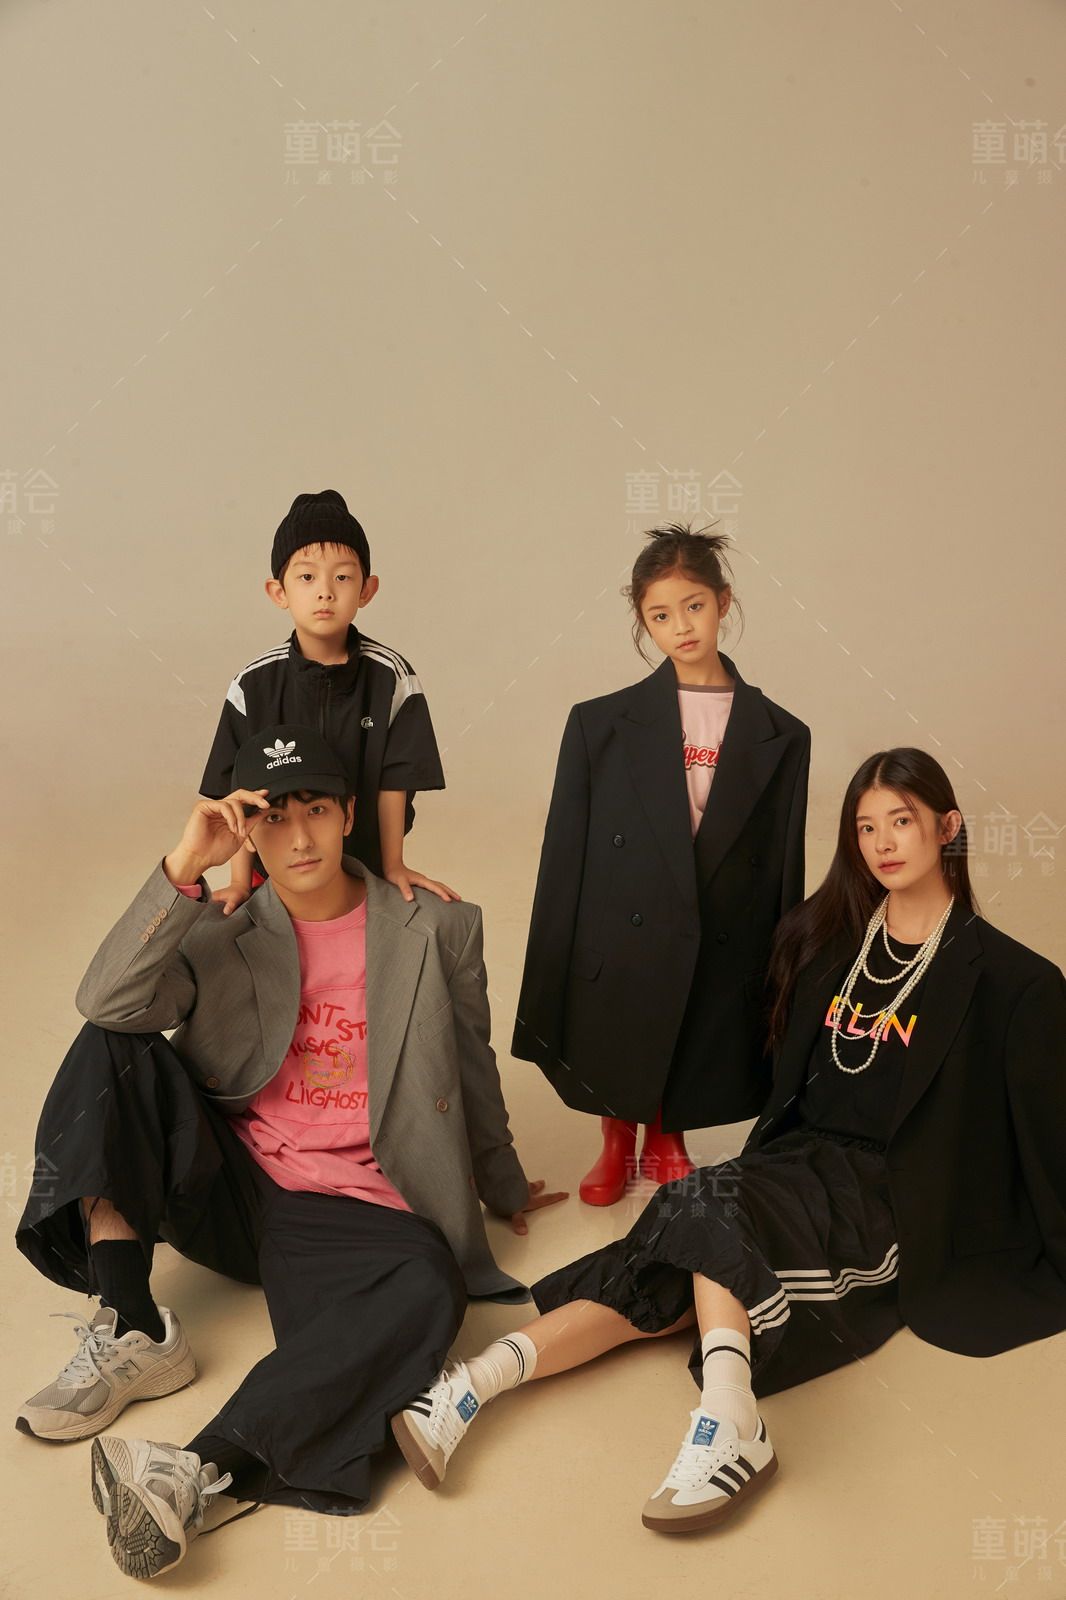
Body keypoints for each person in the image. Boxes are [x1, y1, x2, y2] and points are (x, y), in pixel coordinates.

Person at [392, 748, 1066, 1533]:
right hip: (794, 1166)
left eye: (902, 821)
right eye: (865, 826)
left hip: (889, 1197)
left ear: (947, 827)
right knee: (686, 1236)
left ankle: (727, 1421)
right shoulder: (831, 946)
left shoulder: (1014, 983)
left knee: (703, 1216)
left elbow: (1045, 1142)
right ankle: (473, 1386)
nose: (882, 842)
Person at [15, 723, 565, 1579]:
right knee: (110, 1042)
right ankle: (131, 1323)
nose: (298, 837)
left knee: (431, 1286)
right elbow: (105, 999)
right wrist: (185, 865)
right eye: (272, 817)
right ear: (248, 832)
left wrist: (502, 1181)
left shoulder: (438, 928)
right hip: (234, 1181)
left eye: (315, 810)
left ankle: (193, 1473)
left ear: (348, 814)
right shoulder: (218, 928)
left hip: (352, 1210)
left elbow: (472, 1059)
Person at [511, 523, 810, 1203]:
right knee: (622, 1017)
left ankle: (667, 1138)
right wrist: (551, 957)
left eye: (694, 606)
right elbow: (563, 854)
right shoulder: (599, 725)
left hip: (718, 920)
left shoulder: (783, 734)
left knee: (695, 1017)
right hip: (622, 917)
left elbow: (780, 864)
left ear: (723, 602)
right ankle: (617, 1140)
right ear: (643, 621)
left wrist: (780, 967)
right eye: (661, 615)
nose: (682, 627)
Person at [199, 488, 454, 910]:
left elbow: (395, 783)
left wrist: (393, 864)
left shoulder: (392, 678)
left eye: (342, 577)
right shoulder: (253, 684)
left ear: (367, 590)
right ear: (278, 592)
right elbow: (236, 790)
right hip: (280, 871)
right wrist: (240, 881)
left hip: (365, 868)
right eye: (307, 577)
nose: (325, 592)